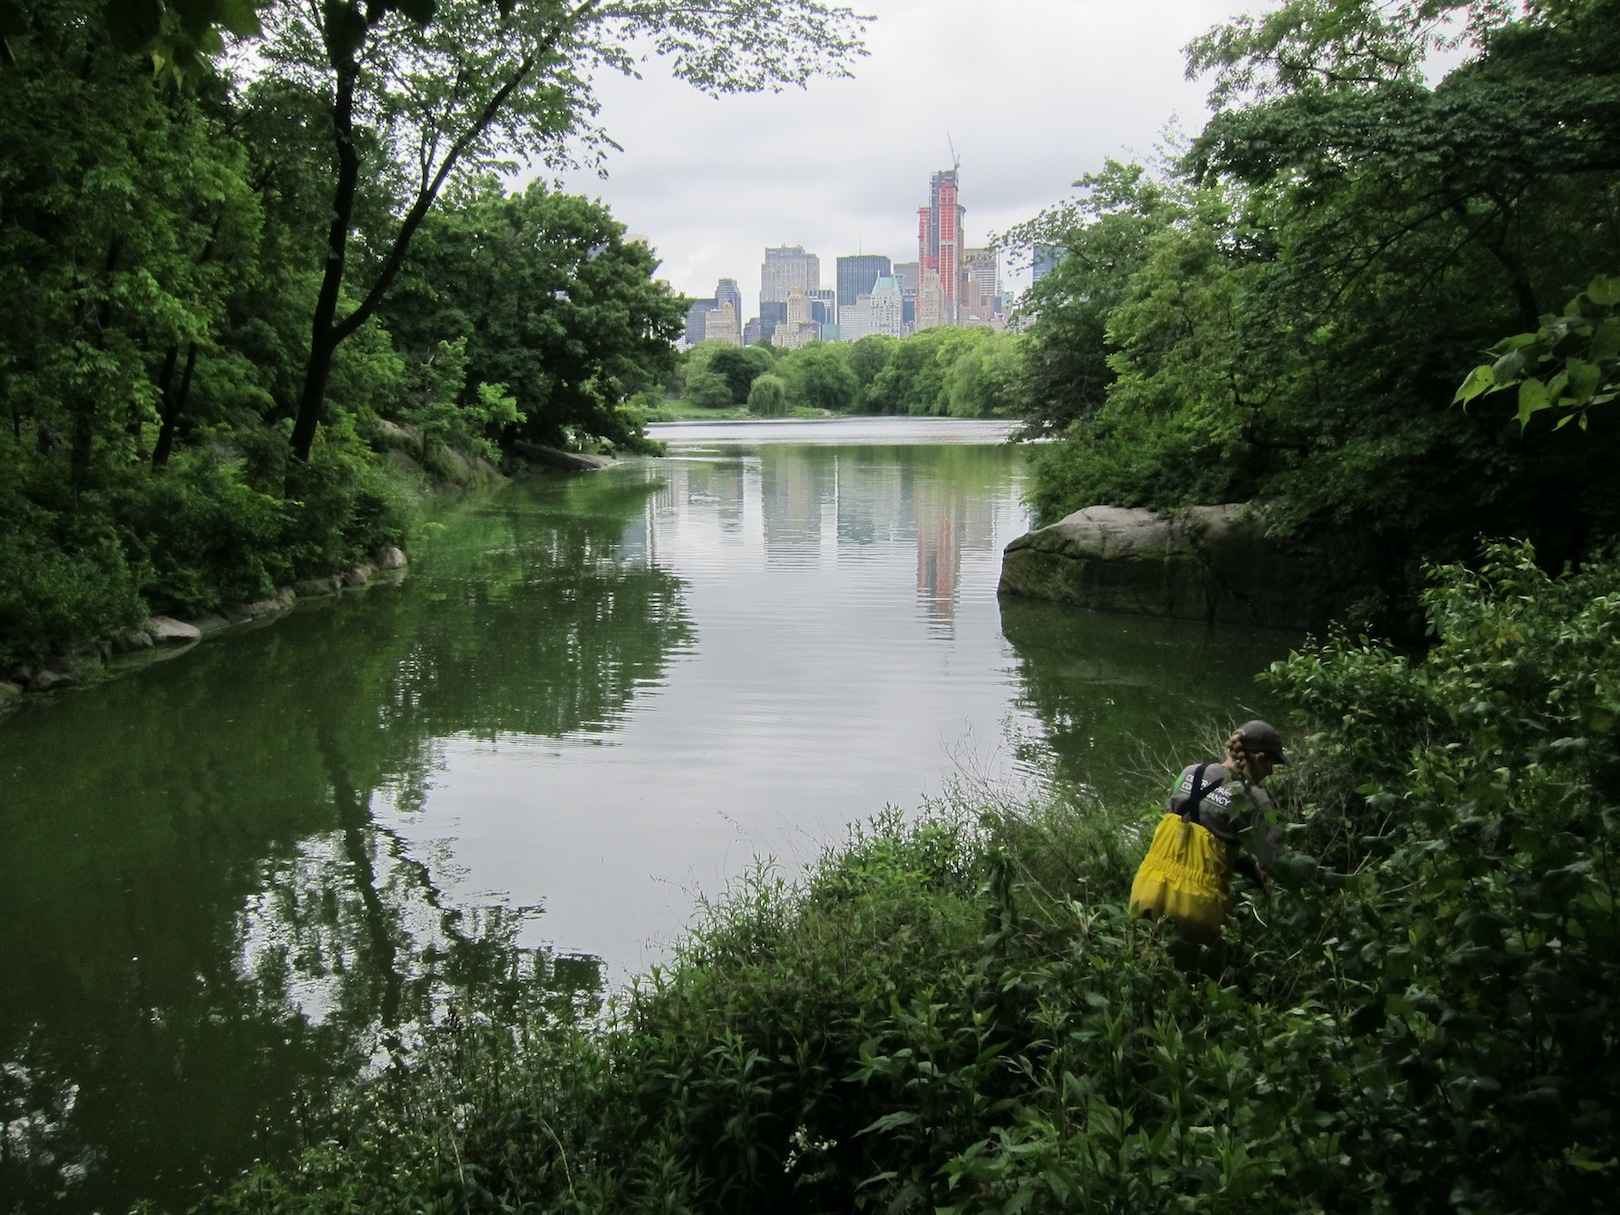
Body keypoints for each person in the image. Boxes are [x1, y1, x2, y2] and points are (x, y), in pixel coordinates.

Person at [1128, 720, 1287, 971]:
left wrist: (1245, 864)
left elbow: (1192, 837)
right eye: (1271, 764)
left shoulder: (1189, 773)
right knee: (1197, 987)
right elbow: (1278, 862)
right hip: (1195, 908)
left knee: (1149, 973)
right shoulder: (1253, 798)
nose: (1271, 772)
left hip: (1147, 889)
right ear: (1258, 757)